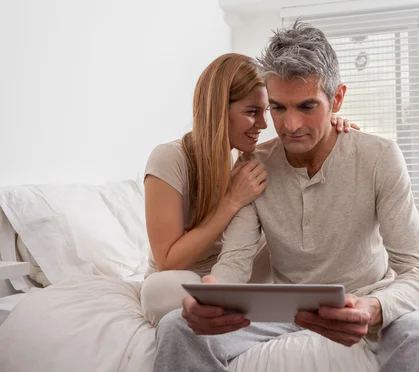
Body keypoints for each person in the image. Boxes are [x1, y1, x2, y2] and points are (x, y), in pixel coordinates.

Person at [147, 22, 419, 372]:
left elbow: (418, 271)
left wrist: (374, 308)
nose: (290, 125)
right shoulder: (253, 165)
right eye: (278, 107)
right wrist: (209, 297)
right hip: (285, 310)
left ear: (338, 99)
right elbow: (233, 263)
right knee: (177, 328)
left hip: (368, 300)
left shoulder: (380, 157)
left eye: (307, 106)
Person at [140, 53, 359, 325]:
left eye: (266, 110)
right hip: (187, 275)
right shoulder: (170, 158)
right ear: (218, 110)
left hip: (238, 270)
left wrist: (330, 128)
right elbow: (167, 262)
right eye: (252, 112)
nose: (264, 124)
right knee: (158, 291)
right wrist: (231, 201)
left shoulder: (247, 159)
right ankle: (240, 307)